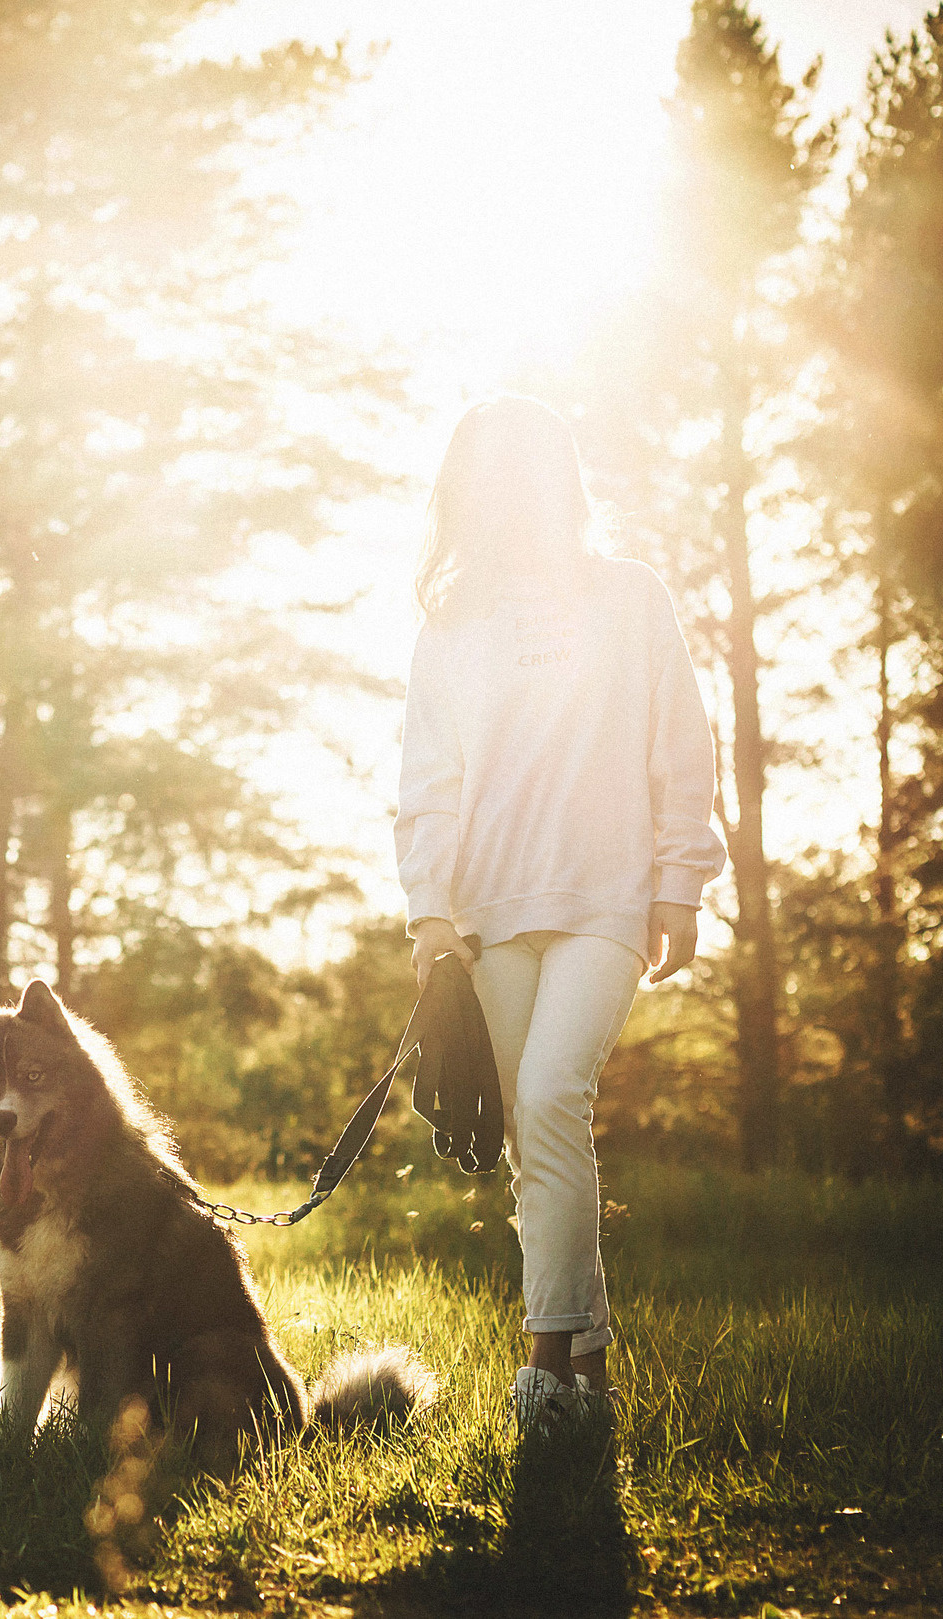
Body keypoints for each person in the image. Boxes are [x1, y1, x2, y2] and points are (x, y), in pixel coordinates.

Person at [393, 396, 725, 1439]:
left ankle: (542, 1371)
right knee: (541, 1140)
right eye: (485, 477)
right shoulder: (448, 628)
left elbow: (682, 738)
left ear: (558, 481)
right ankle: (587, 1368)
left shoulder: (630, 599)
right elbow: (428, 782)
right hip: (488, 913)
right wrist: (427, 914)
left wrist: (681, 879)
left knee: (548, 1091)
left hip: (606, 899)